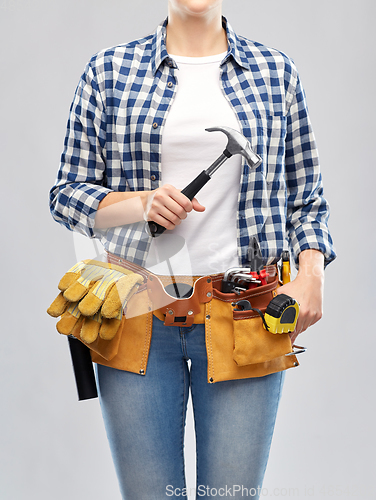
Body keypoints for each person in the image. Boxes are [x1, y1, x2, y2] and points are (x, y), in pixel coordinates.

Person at [50, 0, 336, 498]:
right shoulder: (109, 70)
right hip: (135, 310)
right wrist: (139, 202)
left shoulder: (276, 72)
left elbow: (307, 198)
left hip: (245, 313)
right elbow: (67, 193)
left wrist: (311, 273)